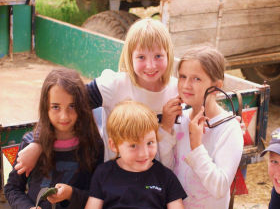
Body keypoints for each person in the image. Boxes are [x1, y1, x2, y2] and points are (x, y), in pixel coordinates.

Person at [14, 17, 178, 172]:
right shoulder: (114, 85)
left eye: (158, 56)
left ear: (169, 55)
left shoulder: (176, 90)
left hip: (158, 183)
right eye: (141, 57)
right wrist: (38, 143)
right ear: (130, 57)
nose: (150, 65)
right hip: (114, 182)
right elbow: (65, 102)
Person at [4, 68, 104, 209]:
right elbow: (12, 188)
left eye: (72, 106)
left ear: (83, 107)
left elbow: (96, 198)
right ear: (45, 107)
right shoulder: (30, 144)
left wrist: (70, 195)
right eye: (56, 107)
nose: (64, 116)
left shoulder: (92, 146)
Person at [158, 45, 244, 209]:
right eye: (183, 76)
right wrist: (166, 128)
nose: (186, 85)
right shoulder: (180, 118)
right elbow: (166, 170)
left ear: (215, 87)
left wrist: (197, 146)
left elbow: (219, 187)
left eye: (196, 79)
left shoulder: (229, 129)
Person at [81, 100, 190, 209]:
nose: (144, 153)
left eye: (150, 142)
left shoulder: (165, 177)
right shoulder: (103, 174)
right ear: (114, 145)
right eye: (133, 145)